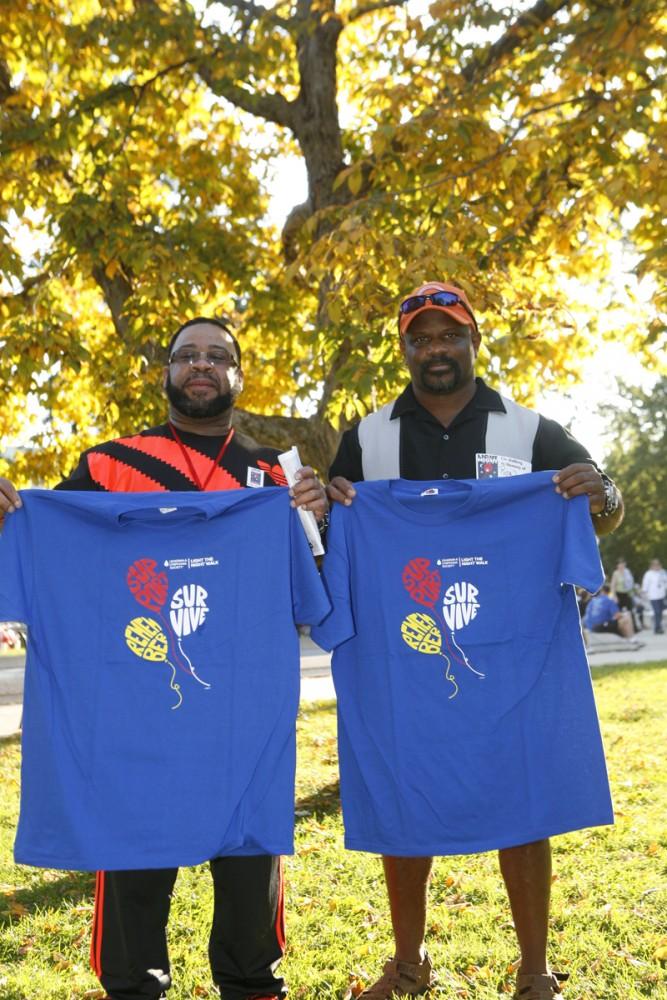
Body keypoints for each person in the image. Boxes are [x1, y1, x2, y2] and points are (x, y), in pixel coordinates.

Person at [0, 316, 329, 1000]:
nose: (201, 366)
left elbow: (315, 583)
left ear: (239, 376)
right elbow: (50, 551)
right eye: (187, 356)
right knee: (132, 872)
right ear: (167, 373)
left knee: (246, 878)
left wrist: (318, 515)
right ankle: (133, 986)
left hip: (242, 717)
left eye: (217, 356)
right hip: (128, 716)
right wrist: (10, 514)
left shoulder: (275, 474)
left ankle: (250, 985)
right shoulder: (108, 463)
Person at [326, 281, 623, 1000]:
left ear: (472, 342)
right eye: (421, 338)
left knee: (520, 794)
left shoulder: (528, 431)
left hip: (515, 654)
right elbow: (334, 536)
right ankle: (408, 965)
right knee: (404, 797)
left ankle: (533, 970)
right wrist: (329, 506)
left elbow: (602, 511)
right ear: (403, 349)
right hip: (401, 660)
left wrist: (601, 491)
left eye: (448, 335)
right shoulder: (366, 438)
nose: (435, 349)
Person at [641, 558, 667, 635]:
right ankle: (657, 628)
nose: (656, 566)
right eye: (654, 565)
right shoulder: (648, 574)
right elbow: (645, 584)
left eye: (658, 565)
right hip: (653, 596)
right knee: (657, 611)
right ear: (652, 566)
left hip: (661, 595)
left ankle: (658, 626)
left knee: (660, 612)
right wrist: (644, 592)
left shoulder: (663, 572)